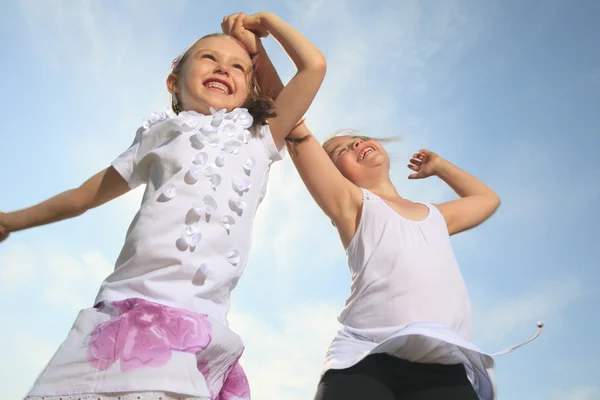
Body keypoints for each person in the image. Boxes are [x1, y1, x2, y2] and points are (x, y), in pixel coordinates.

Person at [0, 11, 326, 400]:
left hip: (199, 323)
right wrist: (10, 220)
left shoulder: (260, 135)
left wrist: (265, 25)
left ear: (251, 90)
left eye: (238, 67)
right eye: (208, 58)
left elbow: (314, 66)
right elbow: (84, 196)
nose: (223, 67)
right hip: (129, 306)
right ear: (174, 81)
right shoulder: (157, 135)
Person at [286, 125, 542, 400]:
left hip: (441, 365)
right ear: (330, 175)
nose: (356, 145)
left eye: (359, 140)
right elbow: (297, 133)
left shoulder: (435, 216)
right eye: (342, 151)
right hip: (365, 357)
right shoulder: (353, 204)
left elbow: (487, 199)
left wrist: (441, 166)